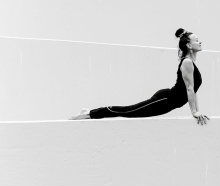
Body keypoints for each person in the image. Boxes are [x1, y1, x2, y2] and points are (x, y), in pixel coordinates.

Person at [69, 28, 210, 125]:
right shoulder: (187, 62)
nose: (200, 42)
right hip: (165, 100)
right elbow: (190, 89)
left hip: (168, 103)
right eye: (196, 40)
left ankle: (89, 112)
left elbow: (193, 90)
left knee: (130, 112)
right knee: (129, 111)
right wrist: (194, 112)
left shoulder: (191, 63)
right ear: (188, 45)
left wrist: (197, 111)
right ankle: (89, 113)